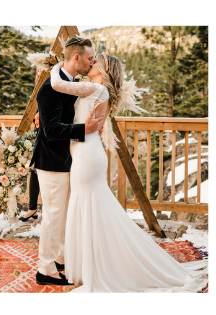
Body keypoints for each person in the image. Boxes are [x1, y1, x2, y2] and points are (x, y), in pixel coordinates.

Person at [48, 53, 207, 292]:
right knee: (91, 208)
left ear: (103, 68)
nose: (90, 63)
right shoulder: (96, 89)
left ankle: (99, 267)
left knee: (89, 207)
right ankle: (91, 264)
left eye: (94, 61)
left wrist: (59, 64)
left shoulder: (96, 89)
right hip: (84, 152)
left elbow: (57, 84)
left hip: (87, 156)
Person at [27, 37, 104, 286]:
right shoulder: (50, 88)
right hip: (51, 160)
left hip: (69, 160)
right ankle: (45, 269)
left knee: (64, 214)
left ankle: (60, 259)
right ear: (76, 58)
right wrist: (84, 129)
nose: (92, 62)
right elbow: (49, 129)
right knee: (53, 214)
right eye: (90, 58)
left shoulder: (72, 84)